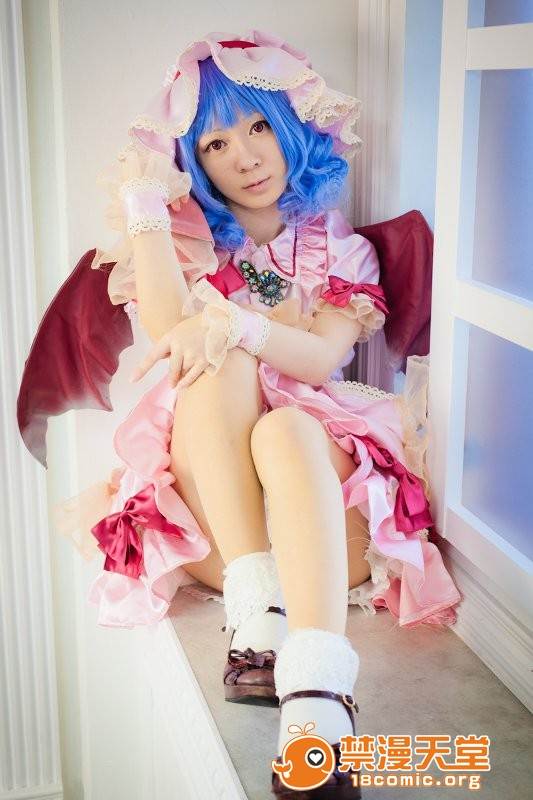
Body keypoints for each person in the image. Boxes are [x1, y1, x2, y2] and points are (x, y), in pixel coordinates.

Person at [18, 30, 461, 797]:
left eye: (258, 127)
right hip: (220, 541)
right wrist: (144, 204)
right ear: (194, 163)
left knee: (283, 422)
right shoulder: (191, 253)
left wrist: (236, 324)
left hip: (326, 530)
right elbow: (168, 328)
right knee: (215, 364)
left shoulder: (342, 253)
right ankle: (256, 614)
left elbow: (319, 359)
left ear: (290, 127)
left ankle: (318, 695)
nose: (246, 157)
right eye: (215, 144)